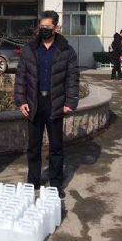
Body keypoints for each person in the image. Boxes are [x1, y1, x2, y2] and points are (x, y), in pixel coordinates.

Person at [14, 10, 79, 198]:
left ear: (56, 28)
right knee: (33, 146)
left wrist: (70, 101)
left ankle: (56, 183)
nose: (44, 30)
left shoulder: (66, 50)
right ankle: (33, 182)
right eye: (41, 26)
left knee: (56, 147)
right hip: (34, 103)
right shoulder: (30, 49)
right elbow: (21, 76)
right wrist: (21, 100)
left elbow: (72, 78)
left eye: (47, 27)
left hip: (55, 103)